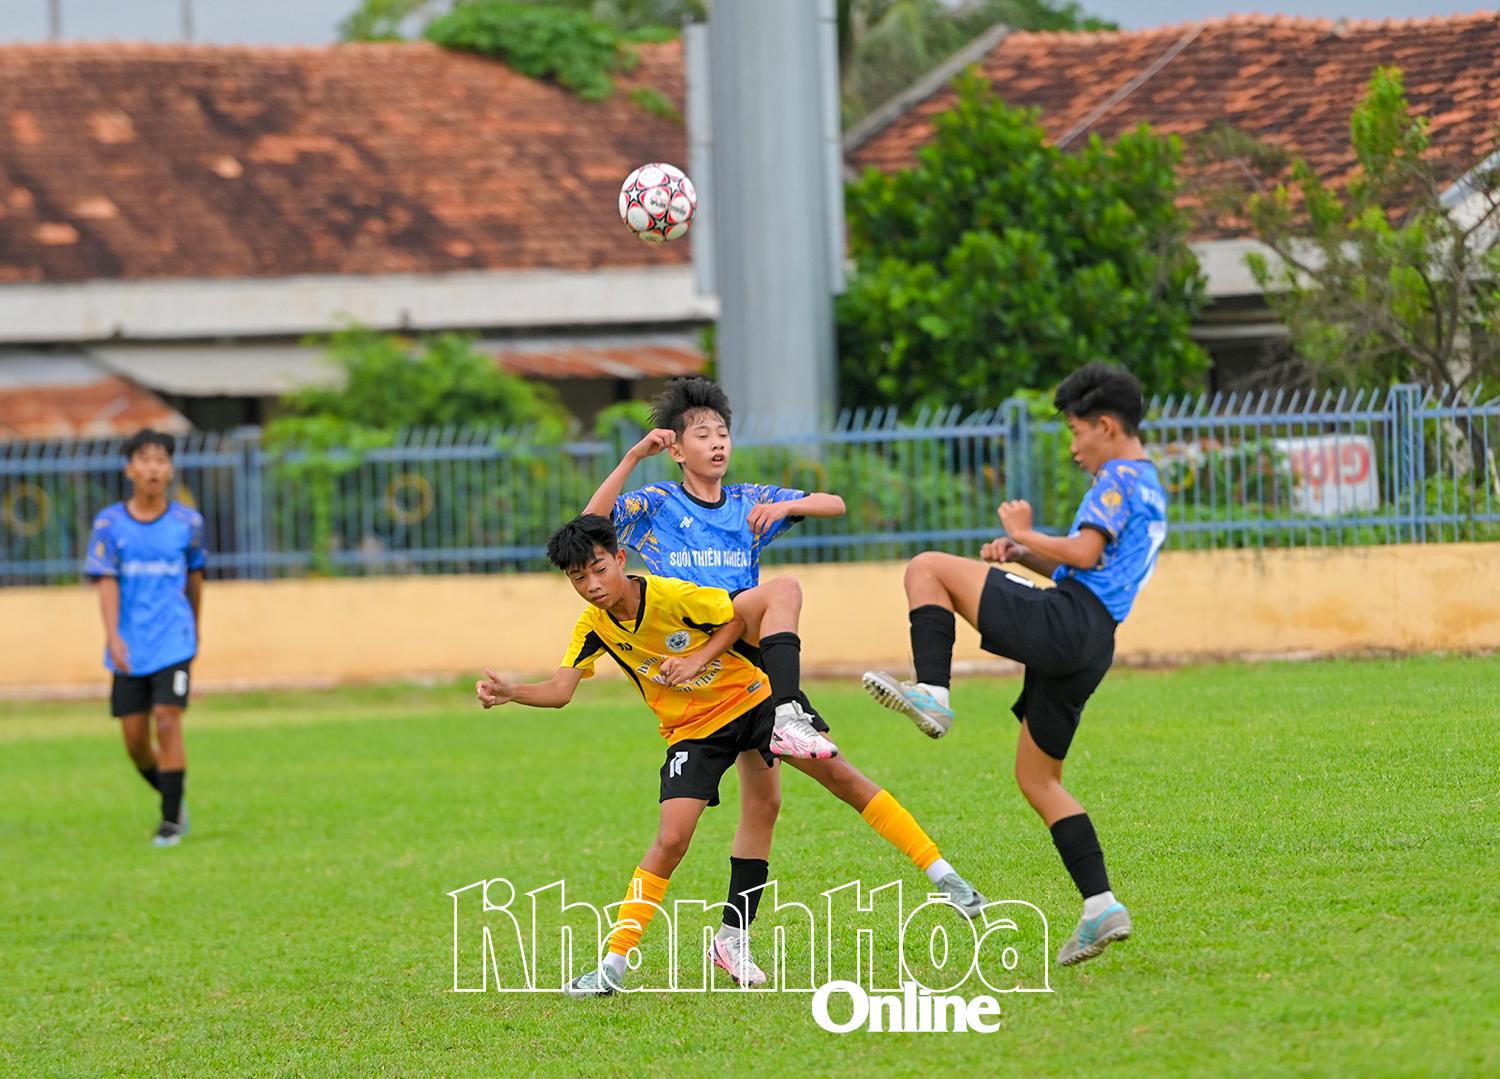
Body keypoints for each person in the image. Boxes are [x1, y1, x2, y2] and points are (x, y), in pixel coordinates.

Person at [476, 514, 986, 996]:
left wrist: (697, 657)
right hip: (693, 731)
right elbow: (562, 690)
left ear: (620, 556)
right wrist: (511, 692)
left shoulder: (673, 594)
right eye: (577, 577)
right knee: (672, 837)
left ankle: (945, 877)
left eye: (598, 569)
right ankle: (612, 967)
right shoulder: (593, 625)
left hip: (754, 700)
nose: (591, 585)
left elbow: (737, 621)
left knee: (840, 781)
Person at [862, 363, 1167, 967]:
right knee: (1038, 779)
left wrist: (1026, 531)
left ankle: (933, 695)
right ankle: (1100, 903)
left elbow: (1081, 549)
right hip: (1093, 642)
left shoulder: (1116, 479)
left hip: (1068, 621)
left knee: (927, 568)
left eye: (1077, 432)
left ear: (1106, 426)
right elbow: (1088, 567)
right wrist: (1024, 552)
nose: (1075, 447)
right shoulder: (1153, 486)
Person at [584, 376, 844, 760]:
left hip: (741, 638)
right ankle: (787, 712)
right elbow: (590, 524)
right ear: (677, 451)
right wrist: (633, 457)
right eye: (703, 435)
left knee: (765, 802)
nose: (717, 442)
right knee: (784, 589)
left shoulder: (749, 499)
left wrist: (787, 506)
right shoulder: (659, 503)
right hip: (694, 631)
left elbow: (834, 503)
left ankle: (786, 718)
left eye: (723, 433)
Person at [84, 429, 207, 848]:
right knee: (136, 741)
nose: (154, 468)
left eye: (161, 460)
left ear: (169, 470)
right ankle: (174, 796)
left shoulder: (188, 523)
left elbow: (195, 578)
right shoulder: (109, 524)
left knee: (168, 722)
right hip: (131, 645)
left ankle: (170, 821)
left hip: (174, 639)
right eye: (146, 459)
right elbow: (106, 583)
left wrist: (194, 628)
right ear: (130, 469)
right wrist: (113, 636)